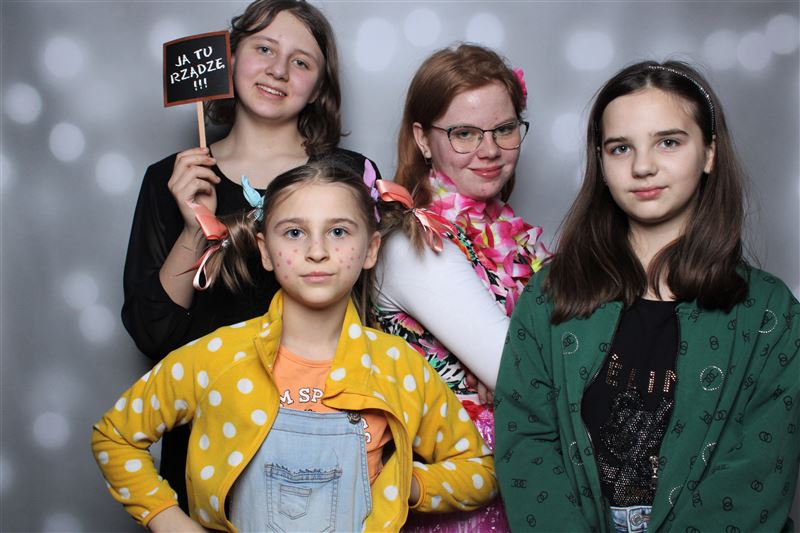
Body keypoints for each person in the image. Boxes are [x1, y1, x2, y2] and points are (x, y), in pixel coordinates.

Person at [93, 158, 497, 532]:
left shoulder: (397, 366)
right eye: (294, 232)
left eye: (338, 231)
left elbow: (481, 472)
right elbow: (115, 436)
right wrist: (171, 523)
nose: (316, 251)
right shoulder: (220, 356)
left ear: (370, 249)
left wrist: (402, 482)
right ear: (266, 251)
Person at [495, 60, 799, 532]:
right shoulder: (550, 295)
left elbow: (756, 472)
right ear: (601, 163)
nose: (642, 166)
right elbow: (526, 446)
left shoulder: (769, 313)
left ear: (709, 153)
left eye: (668, 142)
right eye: (621, 148)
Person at [121, 0, 379, 510]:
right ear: (231, 59)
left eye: (301, 61)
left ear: (318, 88)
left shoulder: (349, 176)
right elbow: (152, 335)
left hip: (320, 435)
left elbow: (378, 309)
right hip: (208, 442)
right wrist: (195, 224)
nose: (278, 70)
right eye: (264, 49)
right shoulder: (171, 178)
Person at [373, 43, 545, 530]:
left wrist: (513, 357)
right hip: (452, 486)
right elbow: (523, 374)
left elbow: (547, 350)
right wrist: (509, 365)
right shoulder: (415, 240)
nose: (489, 151)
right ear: (423, 140)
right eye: (464, 133)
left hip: (520, 474)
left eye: (504, 129)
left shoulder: (510, 232)